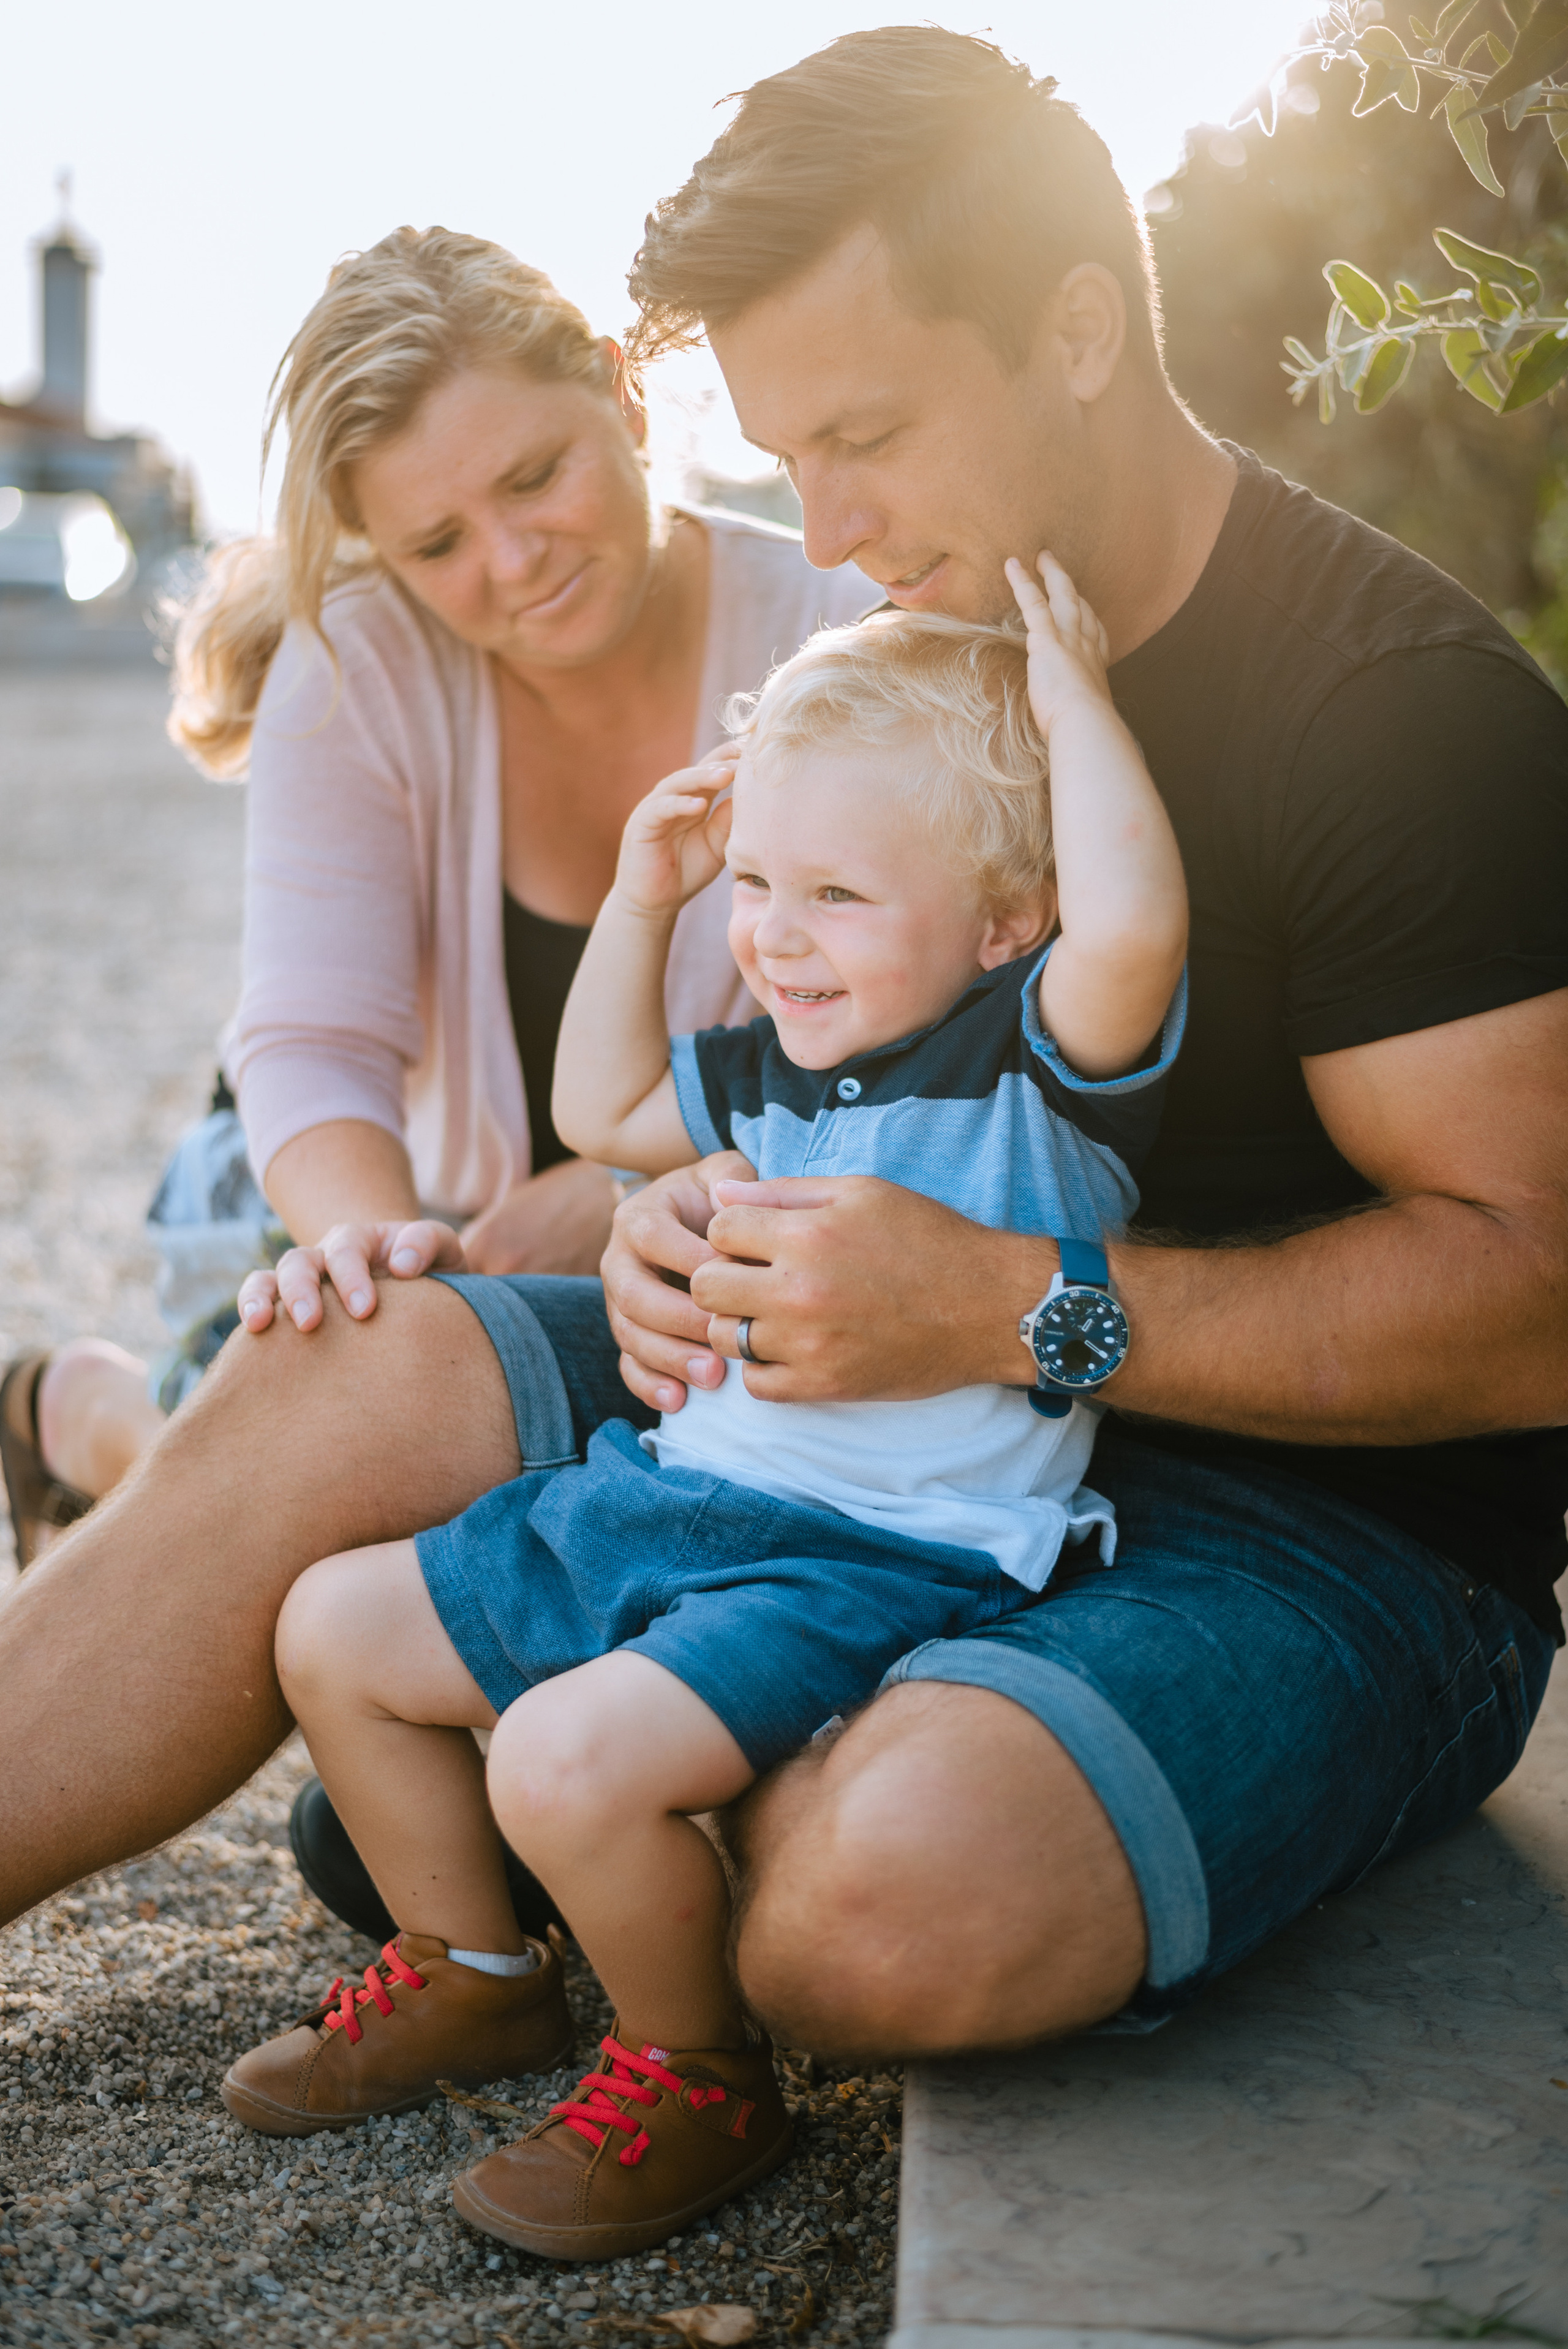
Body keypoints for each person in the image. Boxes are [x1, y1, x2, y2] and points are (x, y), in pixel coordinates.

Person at [3, 29, 1566, 2072]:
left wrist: (1023, 1315)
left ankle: (606, 1791)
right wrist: (673, 1214)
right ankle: (572, 1766)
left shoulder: (1397, 715)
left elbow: (1536, 1306)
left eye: (867, 432)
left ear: (1078, 329)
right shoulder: (913, 660)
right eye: (784, 451)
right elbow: (773, 1083)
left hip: (1312, 1527)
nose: (824, 524)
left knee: (878, 1911)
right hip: (826, 1425)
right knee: (353, 1345)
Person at [218, 567, 1186, 2256]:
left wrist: (1074, 700)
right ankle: (479, 1972)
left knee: (562, 1759)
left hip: (872, 1558)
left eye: (835, 892)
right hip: (674, 1492)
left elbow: (1136, 926)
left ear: (1001, 918)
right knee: (331, 1629)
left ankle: (696, 2069)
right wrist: (642, 898)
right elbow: (600, 1105)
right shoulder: (776, 1056)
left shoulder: (1034, 1060)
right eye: (757, 882)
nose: (778, 934)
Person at [0, 224, 869, 1567]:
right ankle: (85, 1414)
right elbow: (311, 1046)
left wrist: (633, 1183)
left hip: (713, 1217)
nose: (513, 561)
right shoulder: (356, 664)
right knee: (295, 1487)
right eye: (438, 542)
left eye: (536, 476)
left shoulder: (834, 631)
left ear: (621, 398)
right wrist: (396, 1265)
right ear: (379, 556)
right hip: (353, 1183)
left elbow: (916, 1031)